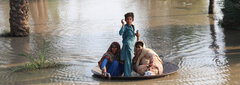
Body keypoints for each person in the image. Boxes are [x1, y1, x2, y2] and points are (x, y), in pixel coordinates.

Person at [119, 12, 139, 77]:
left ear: (132, 19)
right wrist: (123, 25)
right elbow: (120, 33)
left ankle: (129, 74)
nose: (129, 20)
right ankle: (127, 76)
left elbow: (131, 35)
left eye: (130, 19)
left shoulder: (132, 26)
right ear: (125, 20)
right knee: (127, 62)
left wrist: (136, 35)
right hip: (127, 47)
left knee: (130, 61)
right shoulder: (125, 27)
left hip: (131, 47)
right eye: (127, 19)